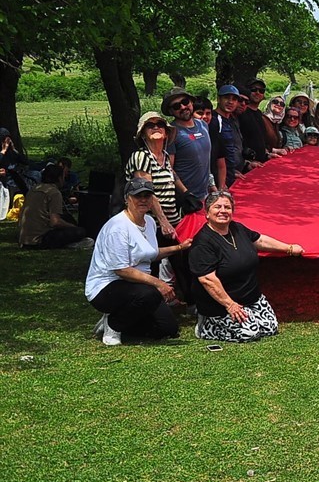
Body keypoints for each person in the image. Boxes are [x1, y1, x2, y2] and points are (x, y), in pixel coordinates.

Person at [85, 178, 193, 346]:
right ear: (127, 198)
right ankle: (114, 326)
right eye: (138, 196)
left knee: (168, 329)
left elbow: (149, 254)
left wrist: (180, 247)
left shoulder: (149, 222)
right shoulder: (117, 228)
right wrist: (159, 283)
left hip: (137, 286)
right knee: (150, 293)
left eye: (147, 196)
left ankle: (119, 318)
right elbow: (121, 270)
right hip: (108, 286)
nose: (143, 200)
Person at [189, 189, 304, 342]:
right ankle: (206, 327)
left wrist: (289, 248)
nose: (223, 211)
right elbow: (207, 279)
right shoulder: (202, 244)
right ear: (207, 213)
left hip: (251, 299)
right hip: (222, 305)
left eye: (227, 207)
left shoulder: (237, 228)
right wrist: (230, 305)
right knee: (249, 334)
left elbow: (260, 241)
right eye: (217, 207)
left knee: (270, 328)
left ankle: (248, 316)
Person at [126, 111, 180, 238]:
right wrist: (164, 222)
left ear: (166, 133)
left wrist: (187, 193)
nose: (156, 127)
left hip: (172, 220)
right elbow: (146, 192)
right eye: (149, 125)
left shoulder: (165, 156)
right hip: (151, 224)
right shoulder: (141, 157)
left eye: (160, 124)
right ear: (143, 134)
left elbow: (171, 177)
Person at [163, 88, 215, 208]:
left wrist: (212, 186)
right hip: (185, 199)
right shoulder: (171, 132)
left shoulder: (203, 125)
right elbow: (168, 168)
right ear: (171, 111)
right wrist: (186, 193)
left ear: (191, 102)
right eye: (176, 106)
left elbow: (205, 159)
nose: (182, 107)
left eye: (185, 102)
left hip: (205, 195)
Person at [18, 163, 89, 249]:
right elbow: (55, 222)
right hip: (40, 240)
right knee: (80, 231)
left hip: (25, 239)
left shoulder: (34, 189)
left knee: (67, 217)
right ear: (59, 178)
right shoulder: (54, 192)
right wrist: (73, 227)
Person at [237, 78, 277, 170]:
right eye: (254, 89)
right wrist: (247, 163)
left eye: (261, 90)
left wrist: (267, 154)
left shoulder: (260, 114)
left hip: (261, 164)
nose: (257, 92)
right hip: (246, 166)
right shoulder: (241, 112)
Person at [210, 85, 245, 187]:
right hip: (218, 180)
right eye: (226, 98)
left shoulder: (232, 120)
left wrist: (232, 170)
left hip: (230, 175)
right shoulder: (213, 120)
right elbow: (214, 155)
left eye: (234, 99)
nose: (230, 102)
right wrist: (220, 182)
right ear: (218, 99)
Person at [0, 127, 29, 196]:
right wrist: (3, 151)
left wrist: (14, 150)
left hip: (16, 181)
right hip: (5, 182)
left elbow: (25, 161)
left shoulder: (11, 152)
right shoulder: (2, 153)